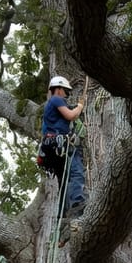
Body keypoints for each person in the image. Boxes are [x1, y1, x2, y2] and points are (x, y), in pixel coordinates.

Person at [38, 74, 87, 218]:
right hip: (61, 145)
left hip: (51, 150)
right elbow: (71, 115)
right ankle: (77, 204)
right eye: (66, 91)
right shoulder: (56, 99)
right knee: (76, 172)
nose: (66, 95)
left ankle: (62, 215)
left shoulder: (50, 108)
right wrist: (79, 106)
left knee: (64, 182)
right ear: (58, 89)